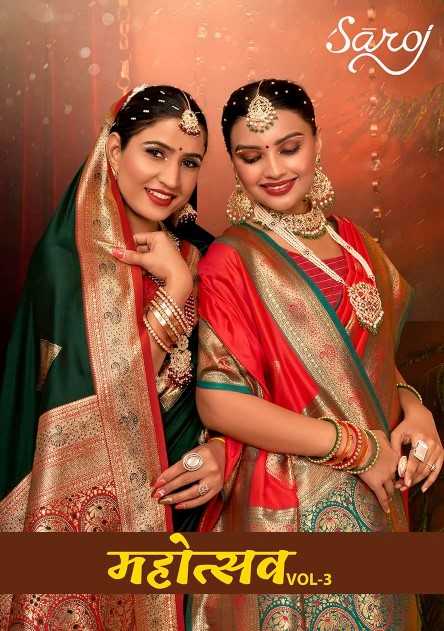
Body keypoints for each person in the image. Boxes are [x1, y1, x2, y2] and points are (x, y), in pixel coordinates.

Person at [192, 79, 443, 630]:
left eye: (289, 147)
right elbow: (219, 402)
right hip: (286, 498)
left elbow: (371, 365)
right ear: (233, 164)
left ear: (317, 143)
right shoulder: (231, 259)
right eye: (251, 156)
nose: (273, 169)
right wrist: (357, 448)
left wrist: (416, 411)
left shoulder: (357, 243)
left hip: (377, 491)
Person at [0, 84, 224, 630]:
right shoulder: (65, 263)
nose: (171, 179)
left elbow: (250, 380)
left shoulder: (209, 255)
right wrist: (176, 288)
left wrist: (224, 449)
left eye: (189, 162)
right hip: (100, 516)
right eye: (155, 152)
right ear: (114, 149)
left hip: (197, 505)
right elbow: (104, 397)